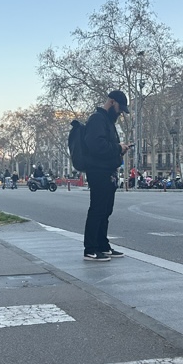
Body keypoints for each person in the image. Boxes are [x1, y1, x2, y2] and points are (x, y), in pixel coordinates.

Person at [82, 90, 131, 261]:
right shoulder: (97, 119)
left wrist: (120, 150)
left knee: (106, 210)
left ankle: (103, 245)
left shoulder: (108, 121)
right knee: (97, 209)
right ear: (111, 102)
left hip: (108, 170)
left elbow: (107, 147)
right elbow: (97, 146)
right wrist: (118, 147)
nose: (120, 112)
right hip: (98, 171)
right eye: (119, 108)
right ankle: (90, 248)